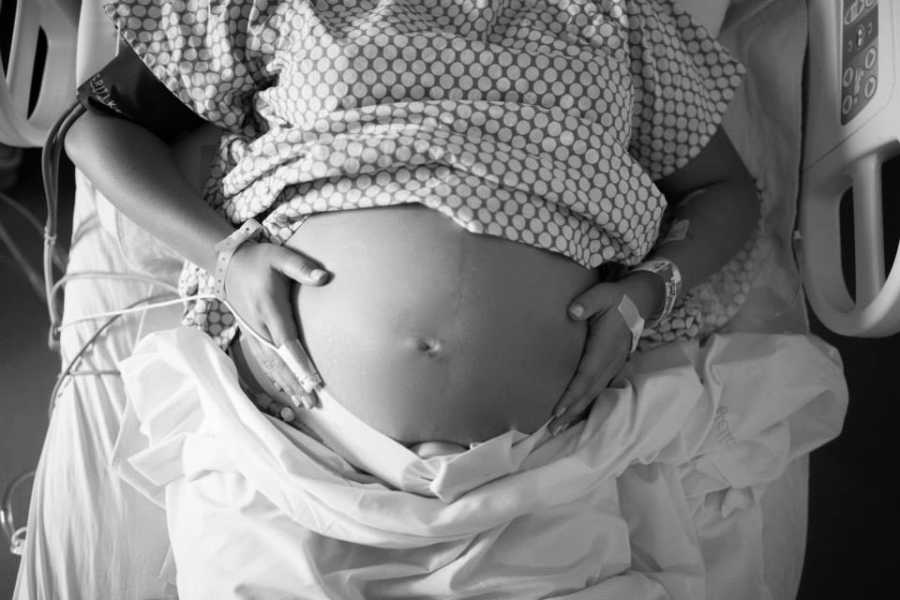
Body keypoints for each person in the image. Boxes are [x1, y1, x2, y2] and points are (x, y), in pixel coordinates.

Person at [65, 0, 759, 449]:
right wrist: (225, 256)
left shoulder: (623, 14)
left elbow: (724, 191)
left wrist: (649, 293)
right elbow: (97, 130)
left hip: (553, 456)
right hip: (299, 441)